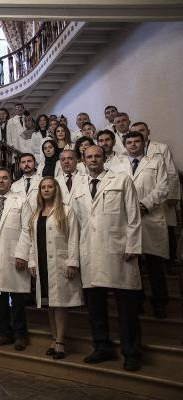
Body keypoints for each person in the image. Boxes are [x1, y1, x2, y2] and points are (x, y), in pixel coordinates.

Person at [71, 145, 143, 372]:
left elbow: (133, 215)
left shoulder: (121, 180)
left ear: (104, 158)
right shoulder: (78, 185)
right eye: (89, 156)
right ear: (83, 160)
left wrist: (133, 245)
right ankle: (102, 346)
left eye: (97, 156)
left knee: (127, 308)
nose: (93, 159)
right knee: (95, 307)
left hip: (119, 251)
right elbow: (74, 224)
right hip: (90, 252)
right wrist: (73, 257)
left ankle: (131, 353)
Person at [109, 131, 170, 319]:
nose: (133, 145)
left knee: (154, 265)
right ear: (125, 145)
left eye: (137, 141)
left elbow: (163, 188)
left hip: (150, 217)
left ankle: (159, 303)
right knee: (131, 264)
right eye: (129, 142)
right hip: (126, 219)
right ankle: (137, 301)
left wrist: (144, 205)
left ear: (143, 143)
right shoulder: (117, 165)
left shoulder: (156, 162)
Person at [28, 177, 82, 359]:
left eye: (50, 186)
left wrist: (72, 262)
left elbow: (73, 238)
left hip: (60, 263)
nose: (46, 189)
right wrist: (32, 262)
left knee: (59, 304)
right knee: (49, 303)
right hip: (42, 263)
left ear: (56, 189)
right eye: (43, 187)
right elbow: (32, 241)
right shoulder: (36, 214)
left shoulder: (66, 210)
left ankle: (60, 341)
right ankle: (53, 337)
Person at [0, 168, 31, 351]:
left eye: (4, 178)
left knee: (17, 299)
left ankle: (20, 335)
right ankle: (4, 333)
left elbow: (27, 229)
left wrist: (22, 254)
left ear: (10, 181)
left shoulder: (22, 201)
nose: (1, 181)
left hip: (15, 257)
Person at [133, 121, 181, 275]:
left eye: (141, 130)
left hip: (158, 201)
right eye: (135, 131)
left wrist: (174, 195)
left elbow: (171, 173)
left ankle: (170, 265)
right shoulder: (126, 157)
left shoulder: (161, 148)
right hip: (135, 205)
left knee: (164, 234)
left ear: (148, 131)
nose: (139, 134)